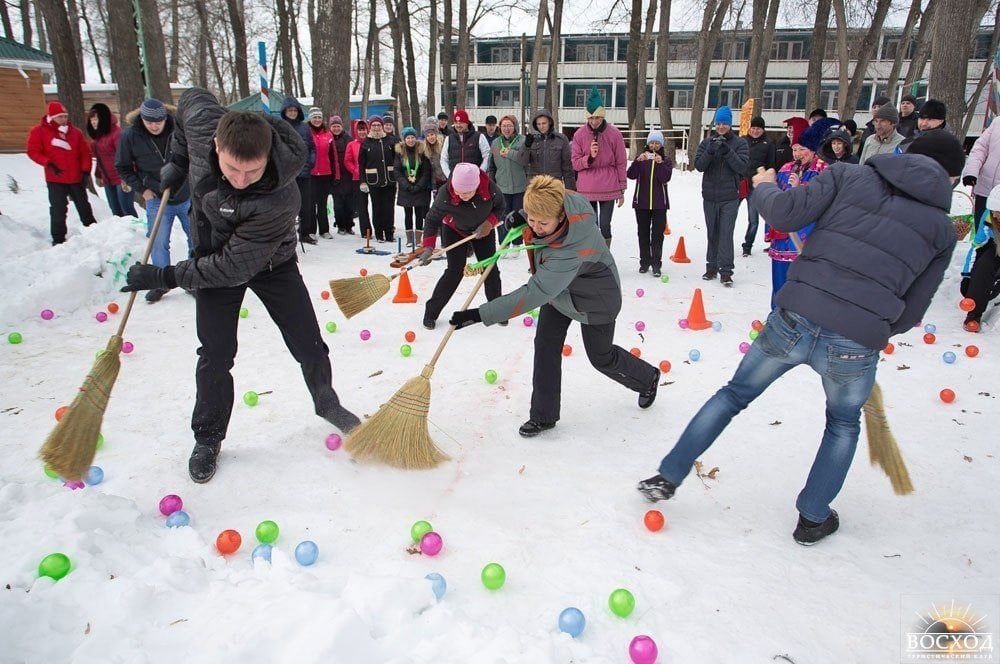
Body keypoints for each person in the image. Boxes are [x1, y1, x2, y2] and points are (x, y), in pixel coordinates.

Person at [637, 130, 965, 545]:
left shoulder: (849, 176)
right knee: (843, 424)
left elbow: (784, 214)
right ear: (950, 178)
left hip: (796, 315)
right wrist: (871, 326)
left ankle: (667, 476)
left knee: (733, 395)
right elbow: (913, 311)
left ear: (905, 155)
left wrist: (764, 187)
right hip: (855, 342)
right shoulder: (940, 229)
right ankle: (812, 517)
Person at [120, 88, 361, 483]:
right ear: (214, 143)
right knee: (215, 354)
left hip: (269, 262)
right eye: (233, 169)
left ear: (268, 155)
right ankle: (208, 437)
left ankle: (326, 401)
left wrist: (166, 276)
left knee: (307, 341)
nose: (243, 180)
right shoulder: (201, 125)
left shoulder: (281, 196)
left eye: (253, 171)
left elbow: (232, 267)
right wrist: (179, 162)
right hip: (211, 248)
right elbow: (189, 103)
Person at [448, 175, 660, 438]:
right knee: (546, 345)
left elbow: (534, 292)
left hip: (595, 299)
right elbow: (544, 200)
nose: (536, 227)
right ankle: (543, 416)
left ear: (560, 216)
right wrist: (524, 214)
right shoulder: (563, 202)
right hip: (561, 295)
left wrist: (480, 314)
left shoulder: (568, 251)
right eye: (533, 220)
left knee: (600, 357)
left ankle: (647, 378)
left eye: (542, 222)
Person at [115, 98, 194, 303]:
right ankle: (161, 282)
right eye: (149, 122)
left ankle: (193, 279)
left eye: (158, 121)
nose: (154, 125)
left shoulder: (179, 129)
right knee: (158, 242)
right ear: (142, 119)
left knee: (196, 237)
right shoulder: (131, 136)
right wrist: (142, 189)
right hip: (157, 197)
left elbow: (193, 155)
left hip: (185, 194)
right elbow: (122, 166)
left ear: (165, 117)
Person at [418, 162, 505, 330]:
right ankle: (431, 312)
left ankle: (497, 310)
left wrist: (489, 223)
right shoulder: (445, 193)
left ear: (477, 186)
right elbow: (431, 220)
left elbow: (500, 207)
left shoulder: (490, 188)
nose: (464, 195)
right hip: (454, 230)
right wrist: (428, 247)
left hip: (483, 230)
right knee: (454, 272)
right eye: (460, 192)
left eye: (469, 192)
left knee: (489, 268)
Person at [766, 118, 837, 307]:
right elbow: (775, 202)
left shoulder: (824, 171)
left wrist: (800, 188)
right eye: (794, 149)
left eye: (802, 149)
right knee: (780, 281)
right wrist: (771, 186)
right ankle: (778, 316)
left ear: (812, 149)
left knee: (803, 282)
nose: (797, 154)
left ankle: (801, 319)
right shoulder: (786, 169)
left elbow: (823, 202)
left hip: (807, 238)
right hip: (783, 237)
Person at [26, 100, 98, 245]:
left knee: (84, 206)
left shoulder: (75, 132)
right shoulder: (39, 132)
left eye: (65, 116)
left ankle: (94, 231)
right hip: (55, 178)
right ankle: (58, 239)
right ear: (52, 117)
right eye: (60, 117)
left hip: (75, 177)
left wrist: (85, 171)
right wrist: (47, 162)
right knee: (58, 209)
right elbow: (33, 151)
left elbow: (84, 153)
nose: (64, 120)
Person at [694, 105, 750, 287]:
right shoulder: (706, 142)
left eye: (724, 124)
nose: (721, 127)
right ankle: (711, 266)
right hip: (710, 195)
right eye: (718, 123)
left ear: (730, 125)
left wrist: (727, 151)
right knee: (712, 232)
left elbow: (742, 167)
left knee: (726, 233)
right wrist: (710, 151)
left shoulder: (740, 143)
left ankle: (726, 271)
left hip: (729, 197)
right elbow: (699, 166)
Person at [571, 88, 627, 247]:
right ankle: (593, 256)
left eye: (598, 118)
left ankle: (605, 254)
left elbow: (621, 162)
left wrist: (622, 189)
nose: (594, 121)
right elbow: (575, 162)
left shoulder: (615, 134)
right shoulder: (579, 135)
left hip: (608, 187)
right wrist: (589, 157)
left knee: (605, 225)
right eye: (591, 118)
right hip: (587, 187)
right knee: (590, 225)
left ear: (603, 116)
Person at [626, 130, 672, 277]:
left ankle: (656, 264)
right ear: (647, 143)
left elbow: (665, 178)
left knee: (658, 235)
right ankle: (644, 262)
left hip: (659, 204)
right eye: (652, 142)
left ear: (661, 144)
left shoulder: (666, 160)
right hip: (642, 204)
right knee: (643, 233)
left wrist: (660, 163)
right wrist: (637, 161)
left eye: (657, 143)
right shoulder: (642, 159)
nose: (654, 145)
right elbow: (631, 175)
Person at [86, 103, 135, 218]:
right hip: (108, 179)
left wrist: (127, 177)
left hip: (122, 178)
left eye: (96, 119)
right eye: (91, 119)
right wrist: (98, 175)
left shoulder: (116, 134)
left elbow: (126, 156)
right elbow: (100, 159)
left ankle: (138, 232)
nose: (93, 122)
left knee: (127, 210)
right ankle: (122, 234)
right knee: (116, 212)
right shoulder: (98, 137)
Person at [962, 184, 1000, 330]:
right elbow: (976, 246)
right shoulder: (988, 217)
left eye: (999, 213)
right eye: (994, 212)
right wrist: (967, 276)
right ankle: (973, 315)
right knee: (983, 265)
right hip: (996, 246)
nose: (995, 216)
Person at [280, 96, 317, 244]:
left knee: (306, 204)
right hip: (287, 173)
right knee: (287, 205)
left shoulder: (304, 127)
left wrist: (311, 162)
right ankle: (285, 233)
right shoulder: (280, 126)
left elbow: (312, 147)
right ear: (285, 111)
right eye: (290, 110)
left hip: (304, 171)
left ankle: (305, 232)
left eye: (295, 110)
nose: (292, 113)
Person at [359, 115, 397, 242]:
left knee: (389, 208)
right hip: (373, 181)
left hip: (389, 180)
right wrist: (363, 181)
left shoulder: (390, 140)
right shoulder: (365, 142)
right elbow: (361, 164)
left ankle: (389, 233)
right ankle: (379, 233)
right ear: (370, 127)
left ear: (382, 126)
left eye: (378, 125)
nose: (376, 128)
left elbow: (397, 160)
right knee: (377, 208)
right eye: (374, 125)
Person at [490, 115, 528, 244]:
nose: (506, 128)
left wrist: (510, 153)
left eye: (509, 125)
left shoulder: (522, 141)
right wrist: (492, 184)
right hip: (502, 187)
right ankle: (504, 243)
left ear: (515, 127)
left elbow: (526, 160)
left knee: (518, 216)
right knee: (502, 217)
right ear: (500, 127)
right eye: (504, 126)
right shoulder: (495, 143)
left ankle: (517, 242)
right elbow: (491, 166)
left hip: (520, 186)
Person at [394, 127, 431, 248]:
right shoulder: (400, 153)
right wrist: (405, 185)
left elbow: (426, 171)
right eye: (408, 138)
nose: (410, 140)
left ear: (416, 138)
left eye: (412, 137)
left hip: (420, 189)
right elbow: (397, 171)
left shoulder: (422, 151)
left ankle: (418, 238)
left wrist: (420, 185)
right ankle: (409, 239)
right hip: (406, 189)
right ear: (404, 139)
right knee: (408, 213)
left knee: (419, 214)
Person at [742, 116, 774, 256]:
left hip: (756, 186)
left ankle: (747, 245)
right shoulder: (742, 141)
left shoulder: (768, 144)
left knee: (753, 219)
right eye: (753, 128)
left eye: (758, 128)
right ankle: (724, 243)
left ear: (763, 129)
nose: (755, 131)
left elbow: (771, 166)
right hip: (739, 183)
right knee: (729, 216)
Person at [522, 109, 576, 189]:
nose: (541, 126)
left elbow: (567, 167)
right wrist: (526, 146)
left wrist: (570, 189)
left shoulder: (561, 139)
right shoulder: (531, 139)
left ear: (550, 122)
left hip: (554, 185)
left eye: (544, 123)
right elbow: (523, 161)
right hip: (536, 185)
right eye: (538, 124)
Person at [306, 107, 335, 239]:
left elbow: (333, 155)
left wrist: (335, 174)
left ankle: (324, 230)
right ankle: (311, 229)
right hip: (310, 174)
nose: (317, 120)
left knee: (322, 203)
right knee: (311, 203)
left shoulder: (328, 135)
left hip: (325, 173)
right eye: (314, 117)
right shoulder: (306, 133)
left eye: (319, 117)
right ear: (310, 119)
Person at [441, 109, 490, 177]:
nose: (458, 125)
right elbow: (443, 159)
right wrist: (449, 175)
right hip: (456, 180)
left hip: (474, 179)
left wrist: (480, 172)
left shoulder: (479, 137)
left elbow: (487, 156)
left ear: (467, 123)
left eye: (461, 122)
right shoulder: (449, 139)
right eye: (456, 122)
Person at [328, 116, 355, 235]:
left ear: (341, 126)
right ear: (330, 127)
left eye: (338, 126)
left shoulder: (348, 139)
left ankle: (349, 225)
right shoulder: (328, 139)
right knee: (338, 203)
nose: (336, 128)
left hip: (348, 175)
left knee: (349, 203)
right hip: (335, 176)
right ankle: (340, 225)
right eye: (333, 126)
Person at [344, 119, 370, 237]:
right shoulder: (352, 144)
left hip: (372, 178)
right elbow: (347, 161)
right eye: (359, 130)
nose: (362, 132)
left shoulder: (371, 142)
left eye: (364, 129)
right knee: (362, 206)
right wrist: (355, 170)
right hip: (358, 179)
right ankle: (366, 231)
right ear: (356, 131)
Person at [421, 119, 448, 193]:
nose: (430, 137)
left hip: (446, 178)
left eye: (432, 134)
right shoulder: (426, 148)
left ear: (436, 134)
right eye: (428, 136)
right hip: (436, 181)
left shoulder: (444, 144)